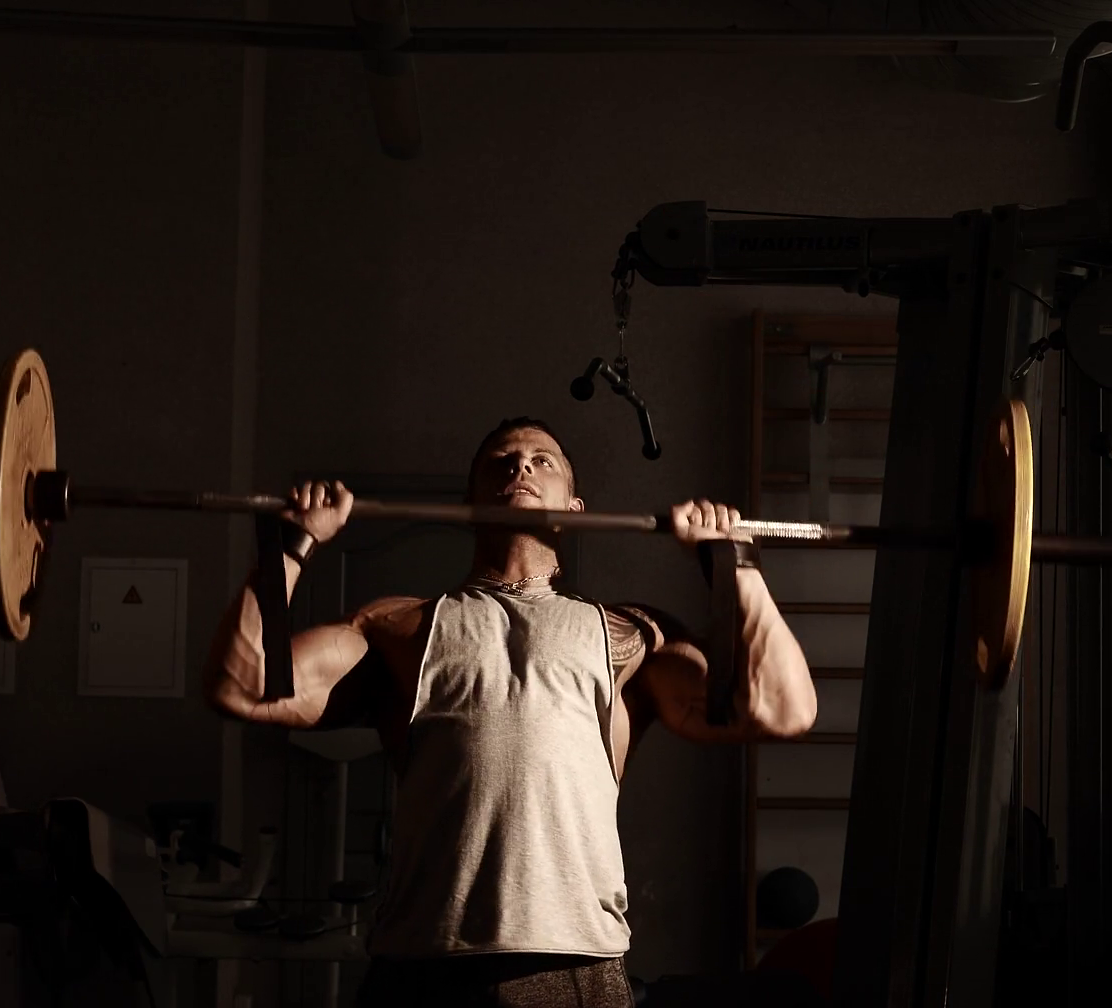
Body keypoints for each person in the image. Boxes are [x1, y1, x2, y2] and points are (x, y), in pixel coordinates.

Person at [204, 417, 817, 1008]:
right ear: (471, 502)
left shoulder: (629, 637)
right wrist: (293, 542)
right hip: (422, 964)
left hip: (574, 963)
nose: (521, 466)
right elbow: (241, 687)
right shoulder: (399, 626)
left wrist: (733, 562)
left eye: (541, 460)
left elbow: (783, 710)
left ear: (574, 508)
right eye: (501, 461)